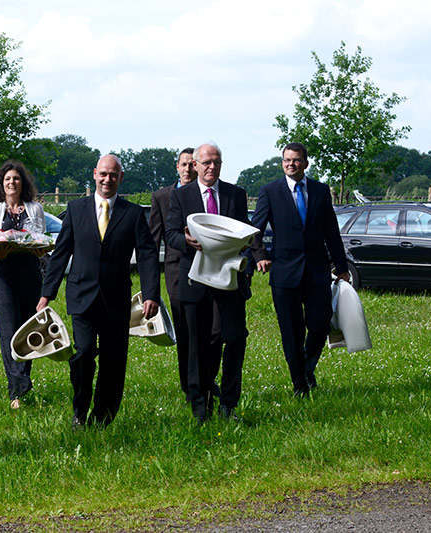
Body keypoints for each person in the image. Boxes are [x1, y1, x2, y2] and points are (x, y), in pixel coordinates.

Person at [38, 154, 160, 428]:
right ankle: (80, 411)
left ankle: (103, 416)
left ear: (121, 178)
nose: (107, 179)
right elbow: (61, 252)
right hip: (81, 296)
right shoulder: (76, 209)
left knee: (113, 359)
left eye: (113, 175)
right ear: (95, 174)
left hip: (116, 299)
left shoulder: (132, 214)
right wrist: (47, 293)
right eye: (103, 174)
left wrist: (151, 293)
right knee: (82, 354)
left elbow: (148, 255)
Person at [165, 142, 266, 423]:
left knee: (235, 338)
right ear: (195, 165)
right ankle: (201, 407)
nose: (212, 167)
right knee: (198, 345)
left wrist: (246, 249)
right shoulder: (181, 196)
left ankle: (228, 405)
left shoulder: (235, 194)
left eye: (217, 162)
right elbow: (170, 234)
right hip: (196, 278)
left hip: (230, 279)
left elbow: (246, 232)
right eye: (207, 162)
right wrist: (186, 241)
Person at [250, 142, 349, 396]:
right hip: (284, 273)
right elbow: (255, 230)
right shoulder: (270, 192)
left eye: (295, 160)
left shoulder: (320, 190)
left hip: (316, 271)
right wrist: (260, 255)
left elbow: (331, 232)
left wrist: (342, 268)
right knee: (292, 332)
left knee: (320, 325)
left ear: (305, 163)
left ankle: (306, 367)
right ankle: (299, 383)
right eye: (286, 160)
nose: (290, 164)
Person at [0, 160, 47, 409]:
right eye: (8, 179)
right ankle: (17, 390)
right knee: (9, 330)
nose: (12, 182)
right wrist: (1, 247)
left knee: (27, 330)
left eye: (16, 178)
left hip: (30, 272)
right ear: (1, 183)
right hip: (1, 273)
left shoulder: (35, 209)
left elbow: (40, 240)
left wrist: (38, 247)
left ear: (23, 183)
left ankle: (23, 382)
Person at [149, 147, 197, 400]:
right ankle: (189, 385)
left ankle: (204, 377)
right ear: (177, 167)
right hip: (176, 270)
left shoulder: (204, 194)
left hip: (207, 268)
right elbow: (153, 240)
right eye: (183, 164)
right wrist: (150, 285)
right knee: (184, 328)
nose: (188, 169)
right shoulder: (162, 197)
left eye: (192, 164)